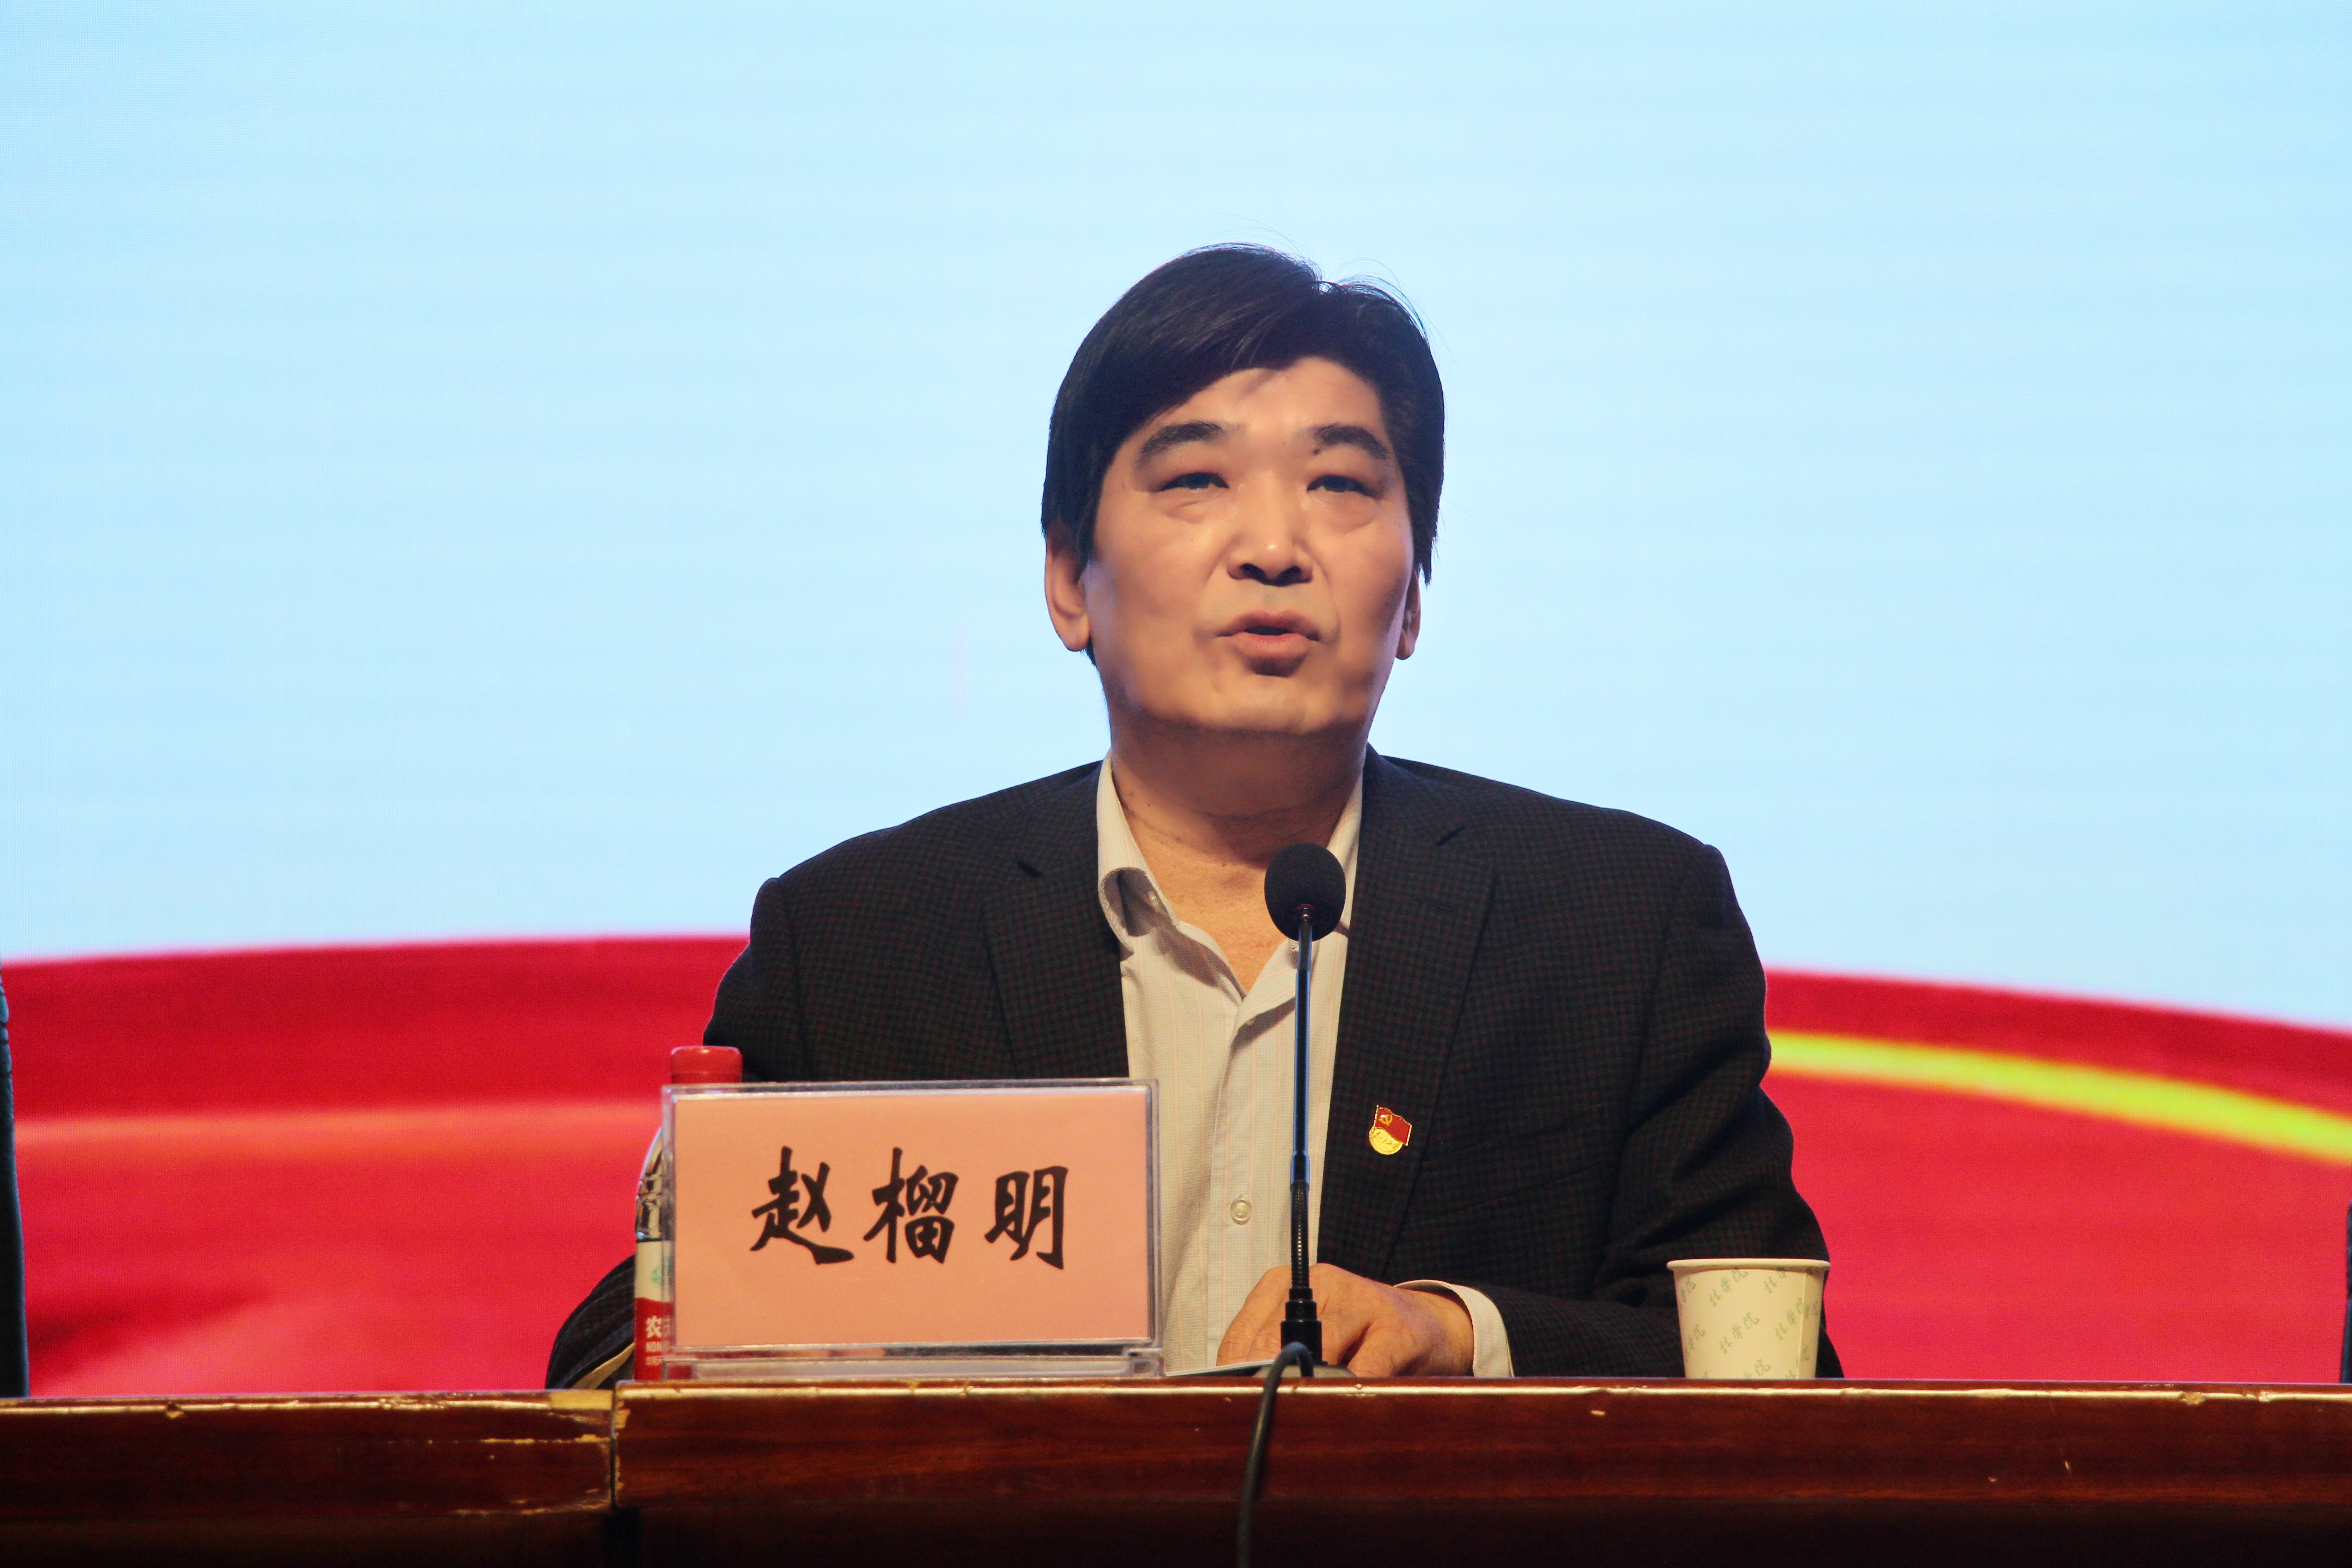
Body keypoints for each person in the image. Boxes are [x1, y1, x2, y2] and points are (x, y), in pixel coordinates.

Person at [548, 245, 1837, 1386]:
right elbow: (620, 1353)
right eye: (1197, 480)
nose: (1274, 546)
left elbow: (1772, 1364)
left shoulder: (1618, 928)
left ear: (1412, 598)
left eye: (1341, 485)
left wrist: (1459, 1334)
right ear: (1070, 580)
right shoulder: (864, 942)